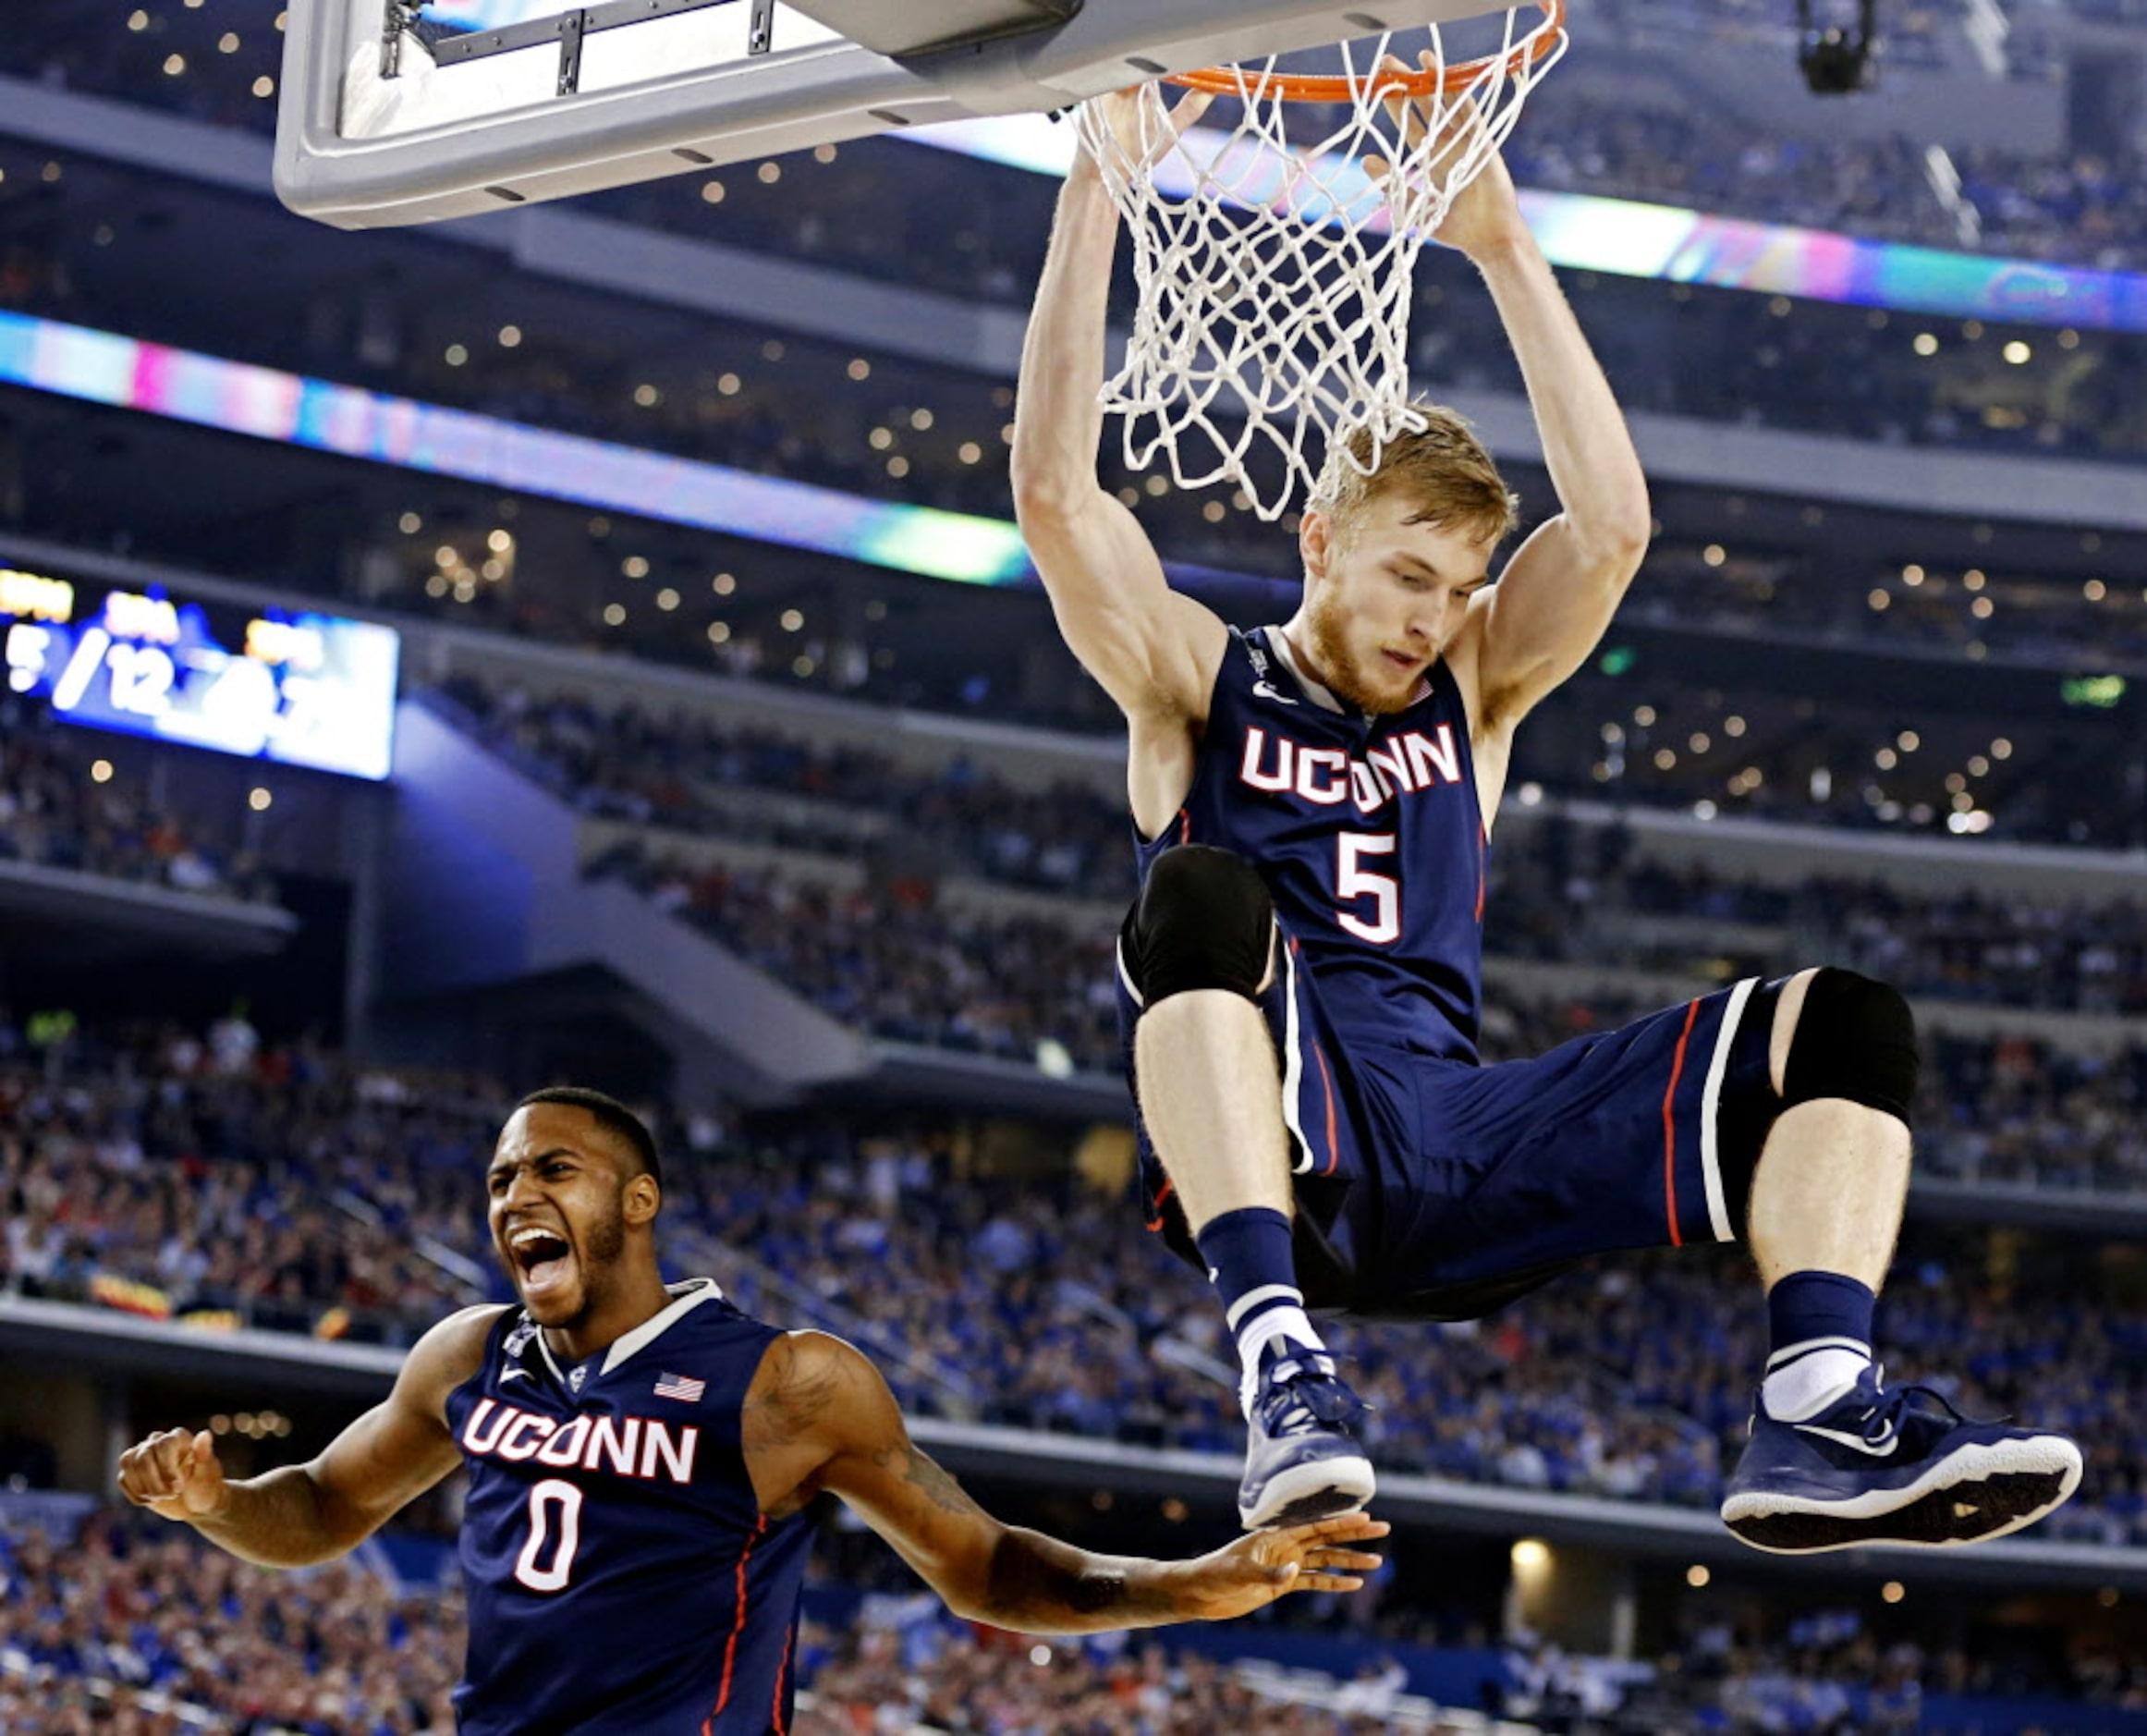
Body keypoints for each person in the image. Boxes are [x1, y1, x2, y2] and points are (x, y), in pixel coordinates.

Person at [1009, 84, 2082, 1549]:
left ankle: (1821, 1404)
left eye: (1458, 588)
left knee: (1844, 1021)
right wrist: (1095, 193)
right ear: (1320, 540)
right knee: (1199, 901)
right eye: (1405, 575)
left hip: (1465, 1131)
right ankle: (1278, 1365)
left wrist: (1507, 249)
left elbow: (1619, 529)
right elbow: (1058, 499)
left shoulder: (1478, 690)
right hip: (1288, 1131)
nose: (1431, 617)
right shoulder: (1202, 682)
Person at [118, 1088, 1387, 1734]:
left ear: (638, 1202)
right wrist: (219, 1502)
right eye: (501, 1176)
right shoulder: (467, 1353)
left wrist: (1186, 1582)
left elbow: (985, 1563)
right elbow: (327, 1506)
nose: (514, 1196)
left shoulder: (789, 1381)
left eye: (553, 1169)